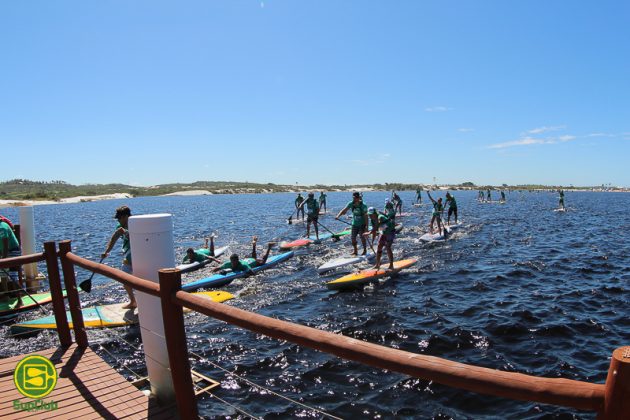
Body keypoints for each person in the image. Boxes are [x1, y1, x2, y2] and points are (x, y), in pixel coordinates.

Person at [101, 206, 136, 309]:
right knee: (124, 279)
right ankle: (133, 301)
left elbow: (139, 239)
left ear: (126, 216)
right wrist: (106, 251)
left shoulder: (136, 224)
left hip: (140, 257)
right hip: (129, 258)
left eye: (119, 218)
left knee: (142, 280)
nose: (118, 221)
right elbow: (114, 238)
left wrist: (126, 233)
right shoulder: (119, 227)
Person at [0, 219, 21, 305]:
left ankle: (20, 299)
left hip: (13, 251)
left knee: (13, 276)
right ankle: (6, 296)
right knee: (3, 275)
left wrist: (3, 260)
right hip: (3, 252)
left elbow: (6, 244)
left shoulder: (2, 227)